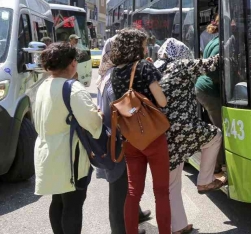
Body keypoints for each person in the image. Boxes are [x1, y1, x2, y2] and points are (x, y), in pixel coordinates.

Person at [154, 38, 224, 234]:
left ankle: (179, 227)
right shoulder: (181, 65)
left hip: (162, 132)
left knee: (173, 183)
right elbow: (213, 62)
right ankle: (205, 180)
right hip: (183, 127)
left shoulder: (157, 68)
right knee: (215, 135)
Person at [32, 43, 103, 234]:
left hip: (47, 151)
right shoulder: (73, 89)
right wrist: (99, 115)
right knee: (73, 205)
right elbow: (93, 124)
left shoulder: (43, 85)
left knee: (57, 201)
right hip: (70, 156)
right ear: (73, 63)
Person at [110, 28, 170, 234]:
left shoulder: (116, 71)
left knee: (133, 192)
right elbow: (161, 101)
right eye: (144, 44)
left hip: (130, 136)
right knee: (161, 192)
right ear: (137, 46)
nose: (146, 48)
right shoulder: (144, 67)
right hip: (152, 135)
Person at [96, 36, 150, 234]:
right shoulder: (115, 77)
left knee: (122, 188)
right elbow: (121, 111)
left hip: (112, 140)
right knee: (119, 191)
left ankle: (128, 224)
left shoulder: (107, 73)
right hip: (118, 142)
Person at [195, 18, 227, 178]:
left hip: (203, 88)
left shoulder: (215, 40)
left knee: (216, 128)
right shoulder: (221, 44)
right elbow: (213, 72)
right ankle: (217, 167)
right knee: (220, 130)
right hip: (208, 90)